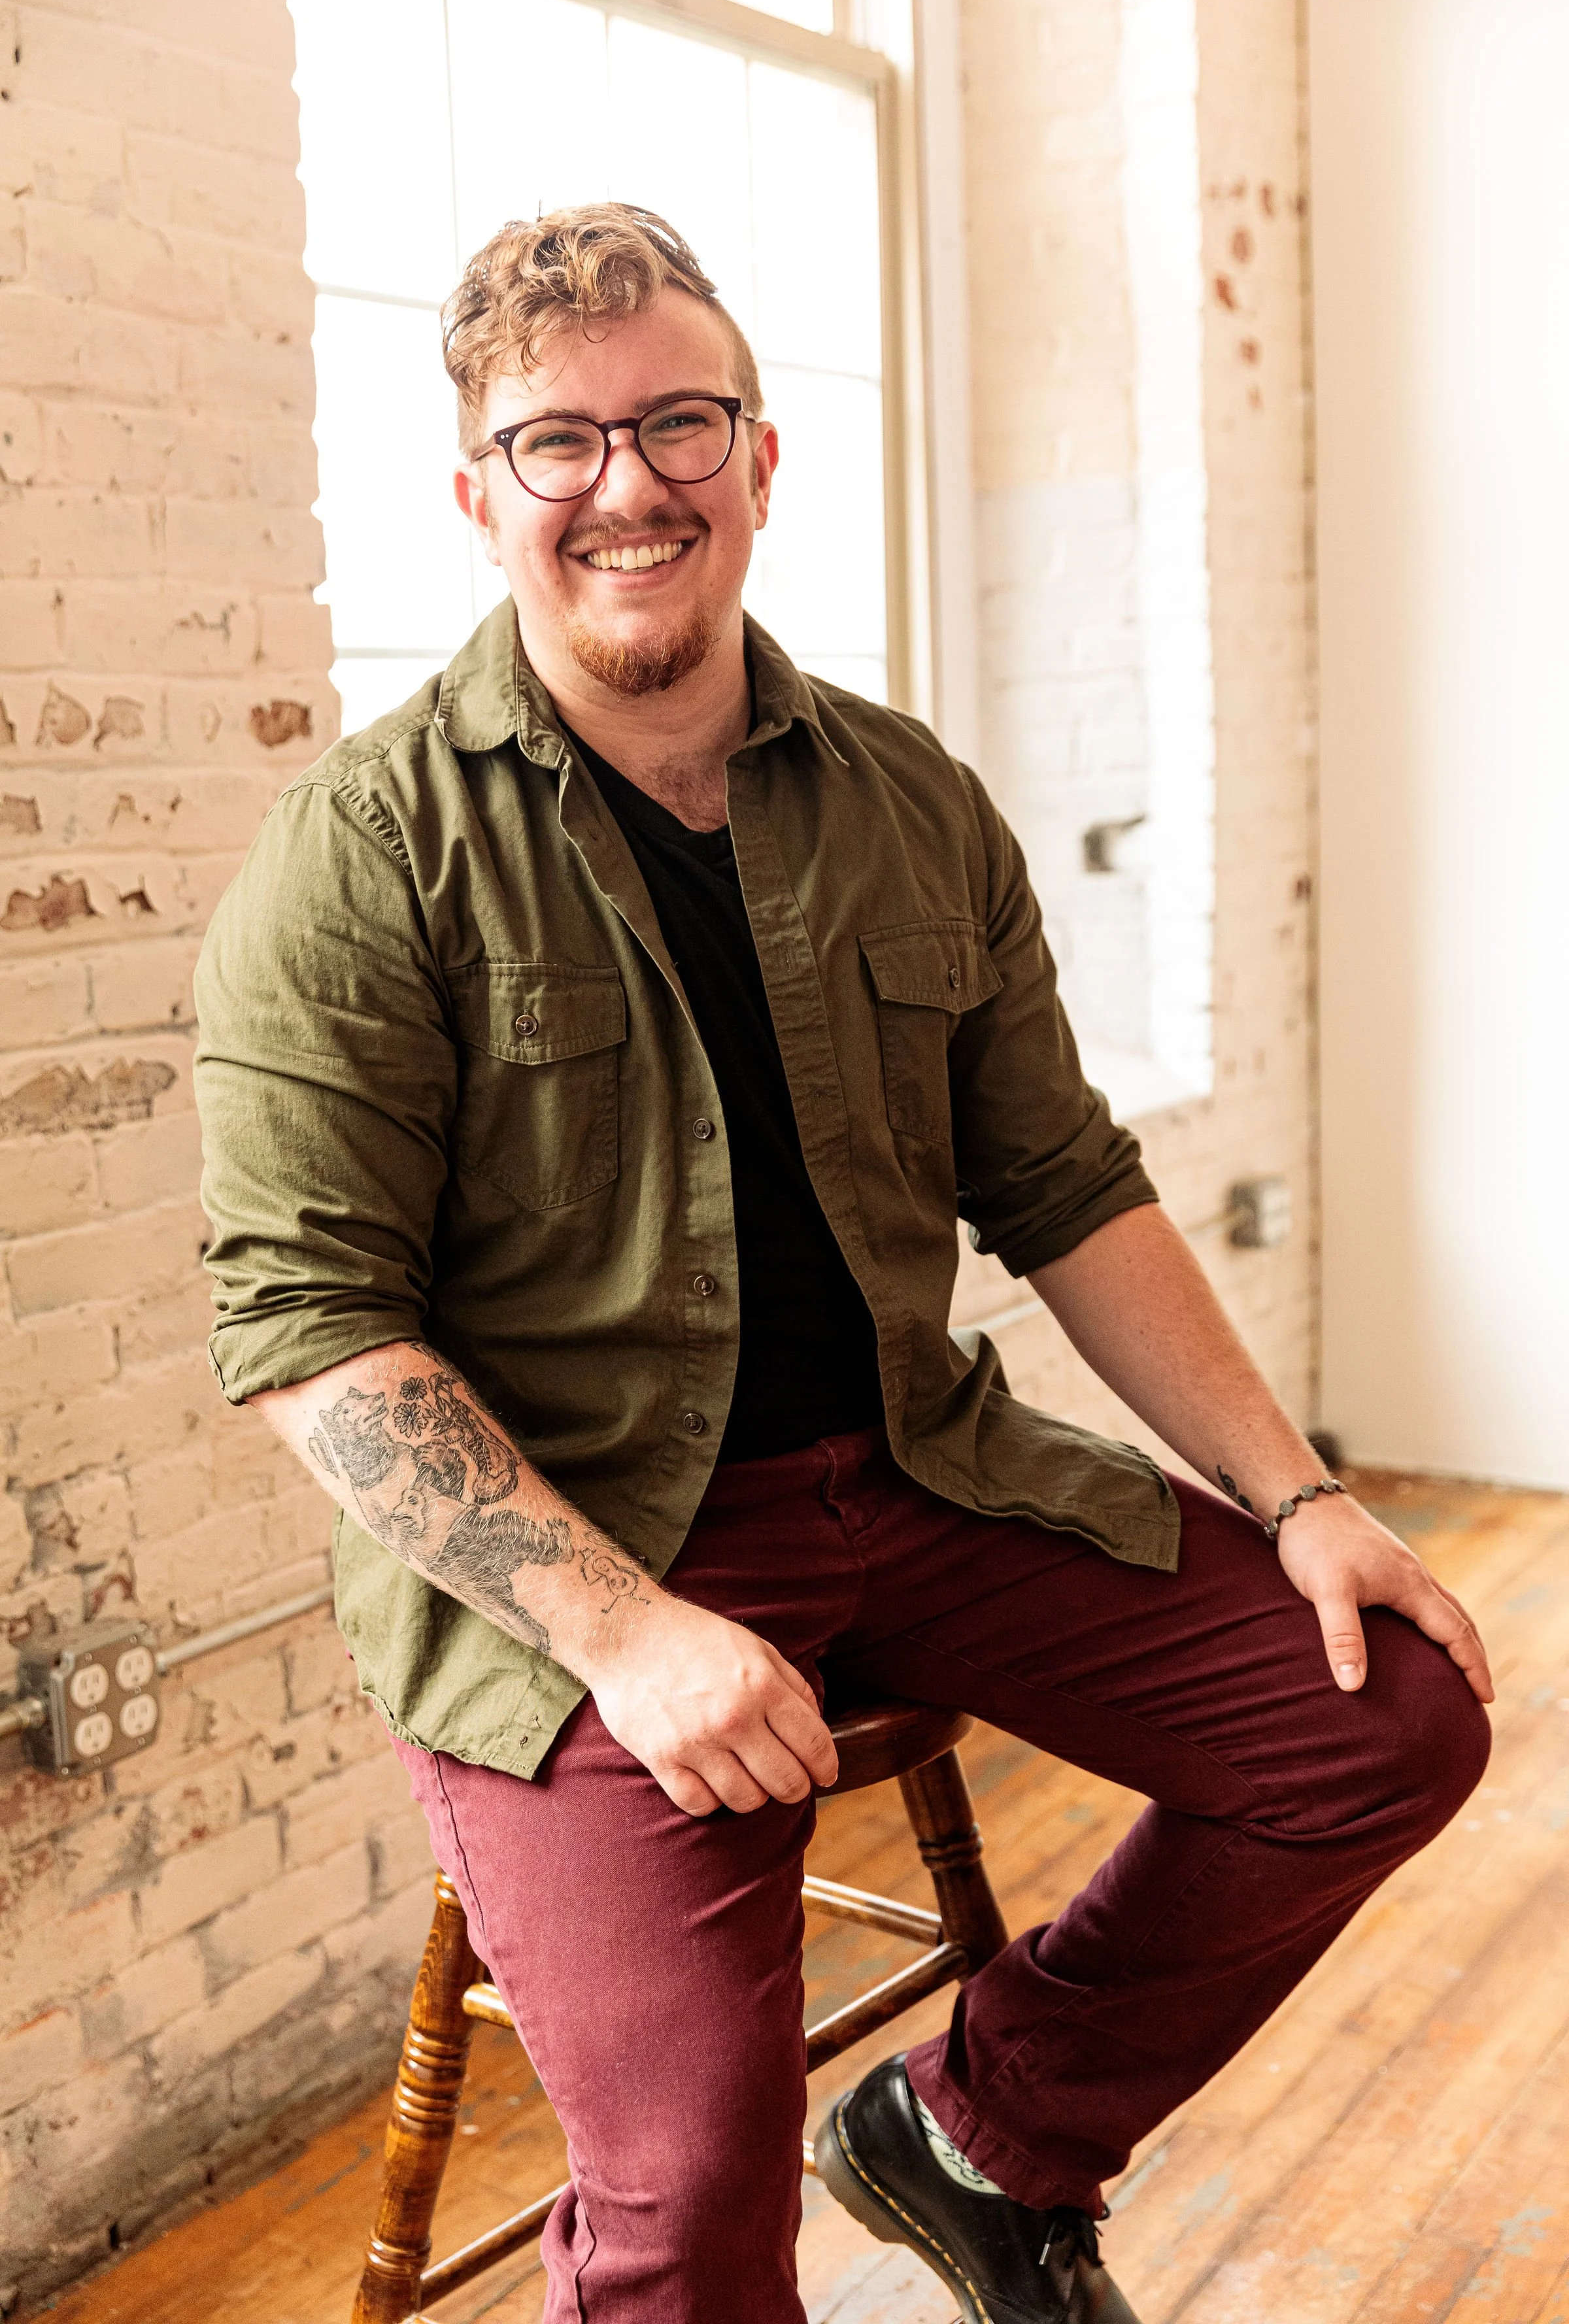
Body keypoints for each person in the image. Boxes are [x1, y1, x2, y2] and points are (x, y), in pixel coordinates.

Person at [194, 203, 1492, 2324]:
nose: (629, 484)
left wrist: (1306, 1496)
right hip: (583, 1566)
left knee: (1391, 1712)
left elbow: (1065, 1182)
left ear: (762, 458)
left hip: (914, 1475)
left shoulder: (908, 801)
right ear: (478, 494)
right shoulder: (363, 858)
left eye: (679, 421)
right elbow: (310, 1334)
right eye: (558, 442)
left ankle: (983, 2136)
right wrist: (630, 1634)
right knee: (698, 2200)